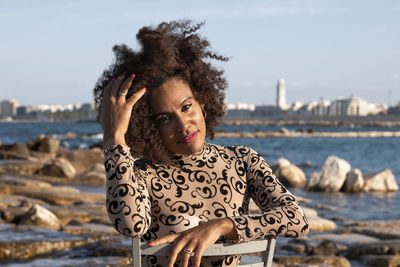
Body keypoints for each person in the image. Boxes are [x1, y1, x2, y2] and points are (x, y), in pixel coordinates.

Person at [94, 20, 309, 267]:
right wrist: (114, 139)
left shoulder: (241, 161)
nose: (183, 124)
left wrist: (222, 226)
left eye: (187, 107)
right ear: (150, 127)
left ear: (203, 105)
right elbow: (129, 224)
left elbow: (296, 219)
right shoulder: (142, 174)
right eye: (165, 118)